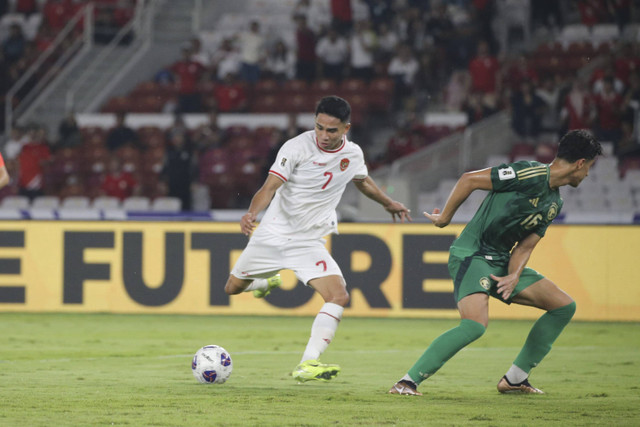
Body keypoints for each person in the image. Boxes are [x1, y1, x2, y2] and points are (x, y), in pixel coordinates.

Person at [389, 129, 602, 396]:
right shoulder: (528, 173)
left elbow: (525, 246)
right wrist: (444, 217)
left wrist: (514, 275)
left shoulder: (554, 203)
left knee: (563, 306)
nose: (588, 174)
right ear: (580, 163)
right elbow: (469, 180)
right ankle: (406, 382)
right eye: (590, 167)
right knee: (475, 325)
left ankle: (515, 379)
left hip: (502, 261)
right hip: (473, 253)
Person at [225, 96, 411, 382]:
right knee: (233, 288)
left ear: (346, 129)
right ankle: (266, 281)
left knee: (339, 296)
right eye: (319, 127)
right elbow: (270, 186)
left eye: (331, 130)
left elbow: (362, 180)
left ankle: (308, 363)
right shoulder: (296, 147)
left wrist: (388, 203)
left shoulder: (353, 154)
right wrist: (251, 212)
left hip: (307, 242)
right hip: (272, 236)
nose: (323, 135)